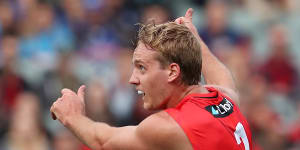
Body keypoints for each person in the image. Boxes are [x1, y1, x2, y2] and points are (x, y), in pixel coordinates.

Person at [50, 8, 252, 150]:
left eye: (142, 68)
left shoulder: (169, 126)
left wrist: (71, 116)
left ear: (173, 72)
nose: (132, 79)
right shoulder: (225, 99)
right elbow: (222, 77)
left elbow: (103, 141)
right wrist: (194, 39)